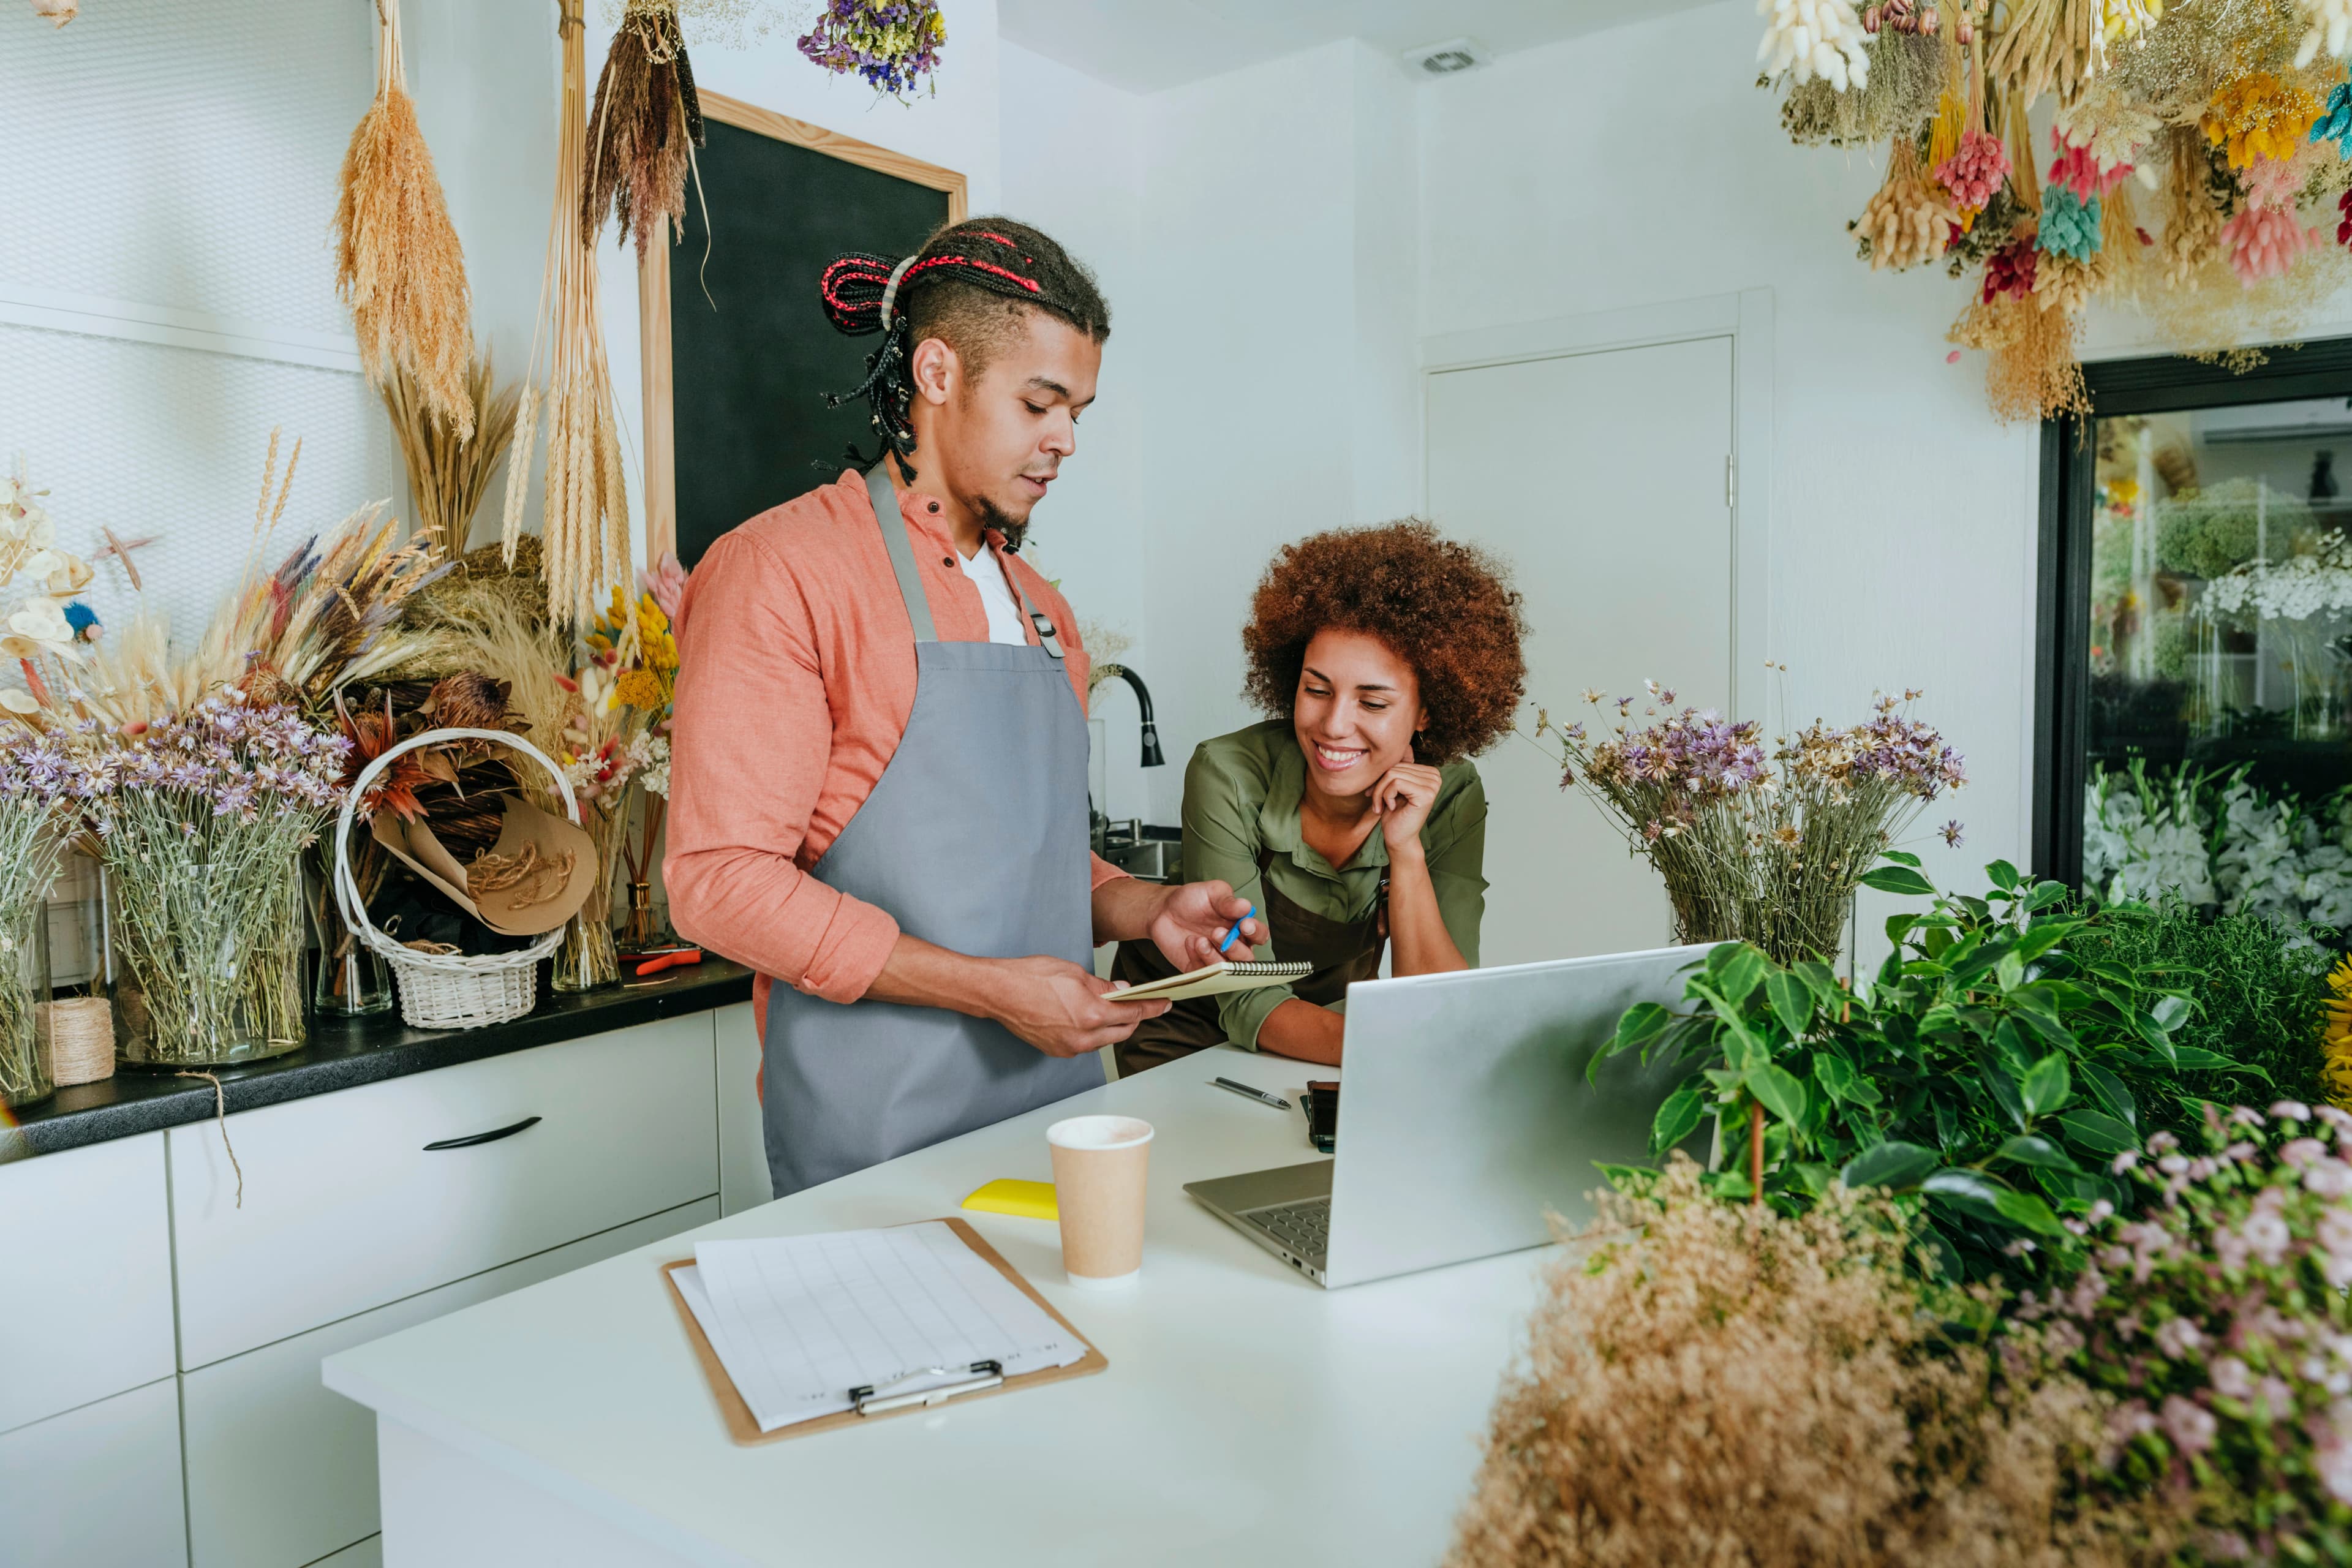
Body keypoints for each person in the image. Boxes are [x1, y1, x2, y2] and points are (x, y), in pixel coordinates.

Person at [666, 217, 1259, 1198]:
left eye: (1078, 412)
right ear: (937, 373)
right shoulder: (781, 571)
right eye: (1040, 403)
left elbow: (1023, 857)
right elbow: (719, 883)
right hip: (878, 1138)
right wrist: (992, 991)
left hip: (1059, 1115)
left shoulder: (1044, 610)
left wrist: (1149, 910)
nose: (1066, 441)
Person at [1112, 521, 1526, 1074]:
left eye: (1372, 703)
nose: (1333, 726)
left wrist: (1406, 850)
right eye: (1316, 690)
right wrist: (1398, 1049)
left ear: (1427, 712)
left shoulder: (1451, 795)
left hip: (1324, 1031)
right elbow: (1248, 999)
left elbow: (1442, 1004)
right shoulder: (1228, 774)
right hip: (1183, 1026)